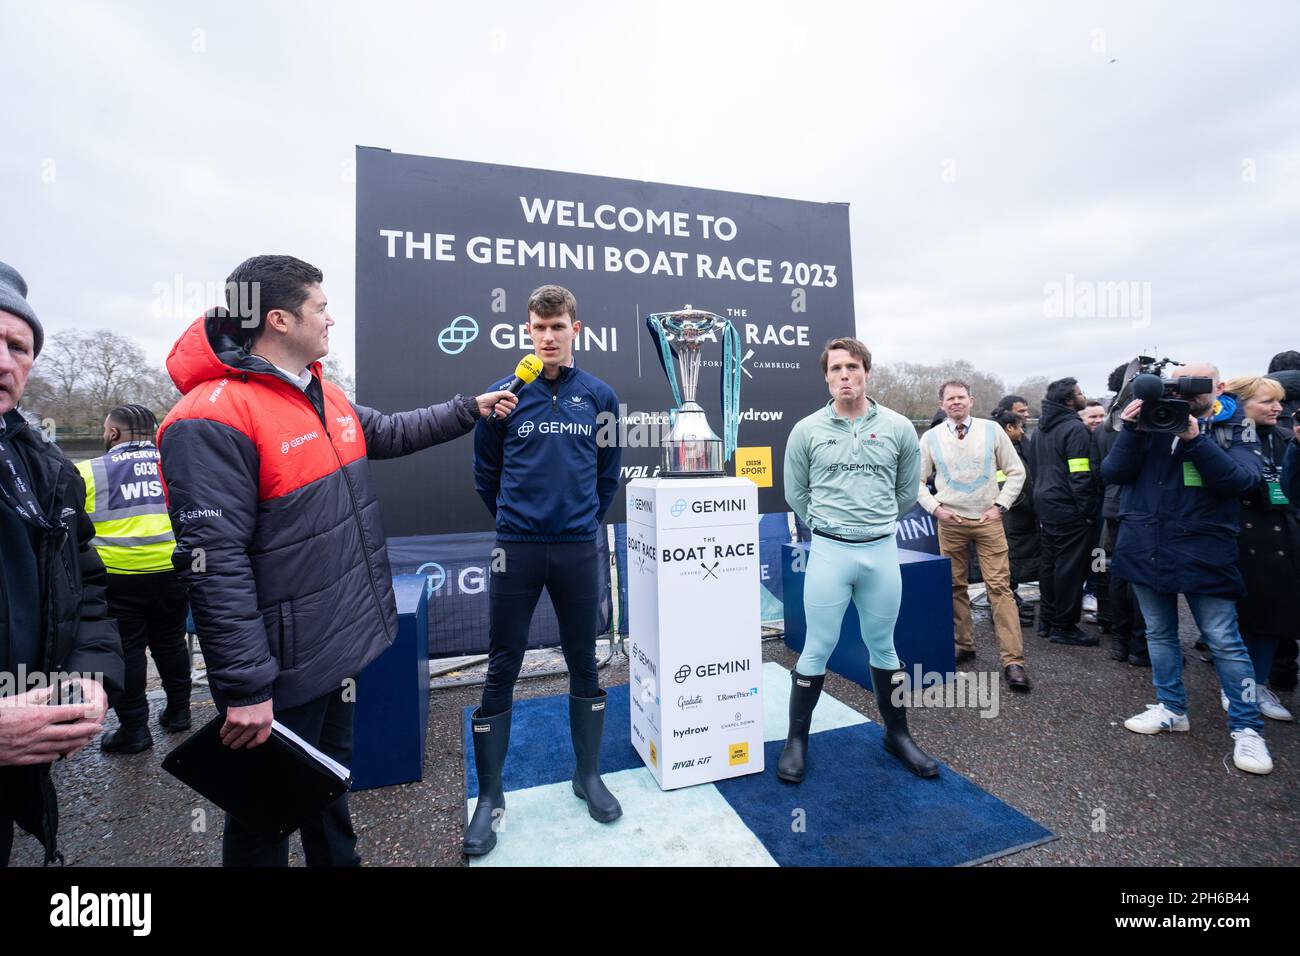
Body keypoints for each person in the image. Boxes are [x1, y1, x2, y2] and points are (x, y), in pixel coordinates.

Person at [158, 255, 517, 866]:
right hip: (277, 669)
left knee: (328, 791)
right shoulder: (210, 418)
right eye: (320, 307)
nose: (330, 318)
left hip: (337, 649)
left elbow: (393, 432)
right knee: (261, 824)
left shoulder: (321, 392)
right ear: (278, 318)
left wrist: (471, 408)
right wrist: (246, 689)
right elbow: (212, 566)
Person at [467, 284, 622, 856]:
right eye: (539, 328)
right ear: (527, 332)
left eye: (558, 327)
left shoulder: (601, 395)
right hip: (518, 548)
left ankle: (588, 776)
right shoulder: (503, 396)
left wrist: (579, 523)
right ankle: (490, 796)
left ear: (576, 329)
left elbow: (608, 475)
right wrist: (516, 523)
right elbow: (486, 473)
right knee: (503, 662)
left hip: (579, 547)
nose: (548, 337)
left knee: (584, 660)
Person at [0, 261, 122, 866]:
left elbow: (86, 584)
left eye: (17, 346)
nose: (3, 362)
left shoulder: (45, 468)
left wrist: (91, 676)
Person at [781, 337, 939, 782]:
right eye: (835, 369)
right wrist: (828, 523)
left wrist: (874, 521)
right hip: (829, 551)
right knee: (817, 647)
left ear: (867, 371)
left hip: (879, 551)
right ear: (826, 377)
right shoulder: (806, 430)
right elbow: (796, 492)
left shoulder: (898, 427)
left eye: (852, 366)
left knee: (884, 646)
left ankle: (898, 736)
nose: (844, 375)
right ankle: (797, 742)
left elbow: (908, 491)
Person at [1104, 362, 1273, 774]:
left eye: (1195, 384)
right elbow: (1112, 474)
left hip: (1205, 548)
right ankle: (1171, 708)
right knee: (1160, 634)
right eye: (1178, 384)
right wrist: (1131, 431)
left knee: (1224, 640)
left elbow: (1243, 482)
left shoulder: (1235, 425)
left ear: (1217, 386)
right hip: (1147, 544)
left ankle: (1248, 729)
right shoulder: (1151, 419)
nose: (1184, 392)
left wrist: (1195, 439)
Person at [75, 404, 192, 754]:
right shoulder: (177, 465)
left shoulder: (86, 472)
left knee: (127, 652)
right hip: (174, 572)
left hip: (116, 579)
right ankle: (179, 713)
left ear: (113, 433)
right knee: (171, 643)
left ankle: (134, 730)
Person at [918, 380, 1030, 690]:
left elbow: (1016, 472)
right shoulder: (930, 438)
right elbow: (915, 480)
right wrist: (935, 508)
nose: (956, 402)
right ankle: (963, 644)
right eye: (950, 398)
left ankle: (1013, 661)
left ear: (971, 400)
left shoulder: (992, 431)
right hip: (950, 521)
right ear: (942, 404)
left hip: (988, 520)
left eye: (961, 397)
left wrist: (1001, 506)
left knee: (999, 588)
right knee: (954, 586)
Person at [1219, 375, 1297, 721]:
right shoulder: (1221, 438)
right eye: (1267, 401)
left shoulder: (1284, 439)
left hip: (1279, 537)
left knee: (1270, 618)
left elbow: (1290, 490)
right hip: (1235, 536)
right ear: (1240, 404)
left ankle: (1259, 684)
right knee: (1236, 621)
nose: (1277, 408)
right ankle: (1235, 686)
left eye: (1278, 401)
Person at [1033, 377, 1100, 645]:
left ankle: (1047, 621)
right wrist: (1087, 510)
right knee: (1070, 569)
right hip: (1068, 506)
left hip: (1045, 503)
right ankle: (1065, 626)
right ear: (1069, 400)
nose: (1084, 396)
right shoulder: (1075, 429)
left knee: (1049, 565)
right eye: (1080, 393)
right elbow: (1080, 473)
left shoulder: (1040, 429)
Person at [1097, 366, 1147, 666]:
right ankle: (1142, 645)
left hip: (1113, 505)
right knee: (1144, 578)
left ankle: (1119, 639)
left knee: (1119, 572)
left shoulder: (1106, 423)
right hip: (1136, 506)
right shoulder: (1137, 419)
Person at [994, 409, 1038, 627]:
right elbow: (1004, 484)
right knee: (1006, 564)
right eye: (1020, 427)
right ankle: (1006, 608)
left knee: (1014, 564)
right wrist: (1029, 505)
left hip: (1017, 516)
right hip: (1010, 518)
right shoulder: (1001, 451)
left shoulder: (1016, 447)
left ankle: (1012, 601)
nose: (1022, 432)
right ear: (1009, 428)